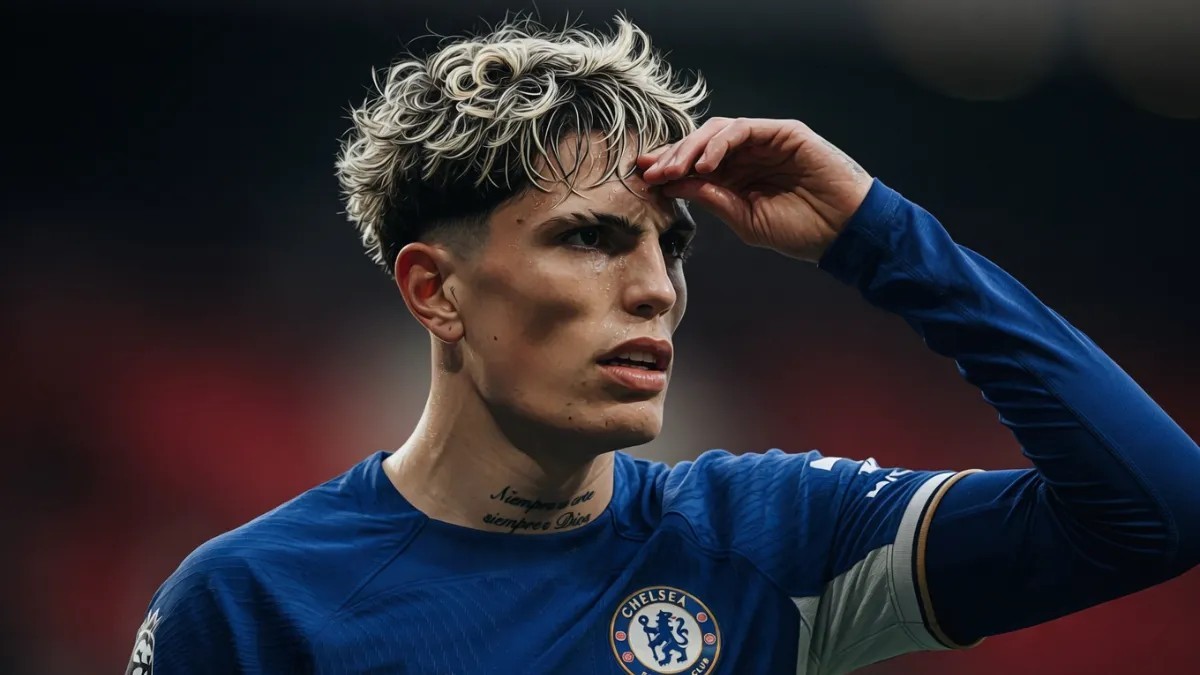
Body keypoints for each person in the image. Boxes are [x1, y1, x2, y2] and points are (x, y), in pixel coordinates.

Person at [126, 17, 1200, 675]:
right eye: (588, 238)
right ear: (434, 290)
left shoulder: (769, 540)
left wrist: (877, 235)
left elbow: (1158, 509)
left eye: (670, 246)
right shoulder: (253, 604)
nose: (655, 288)